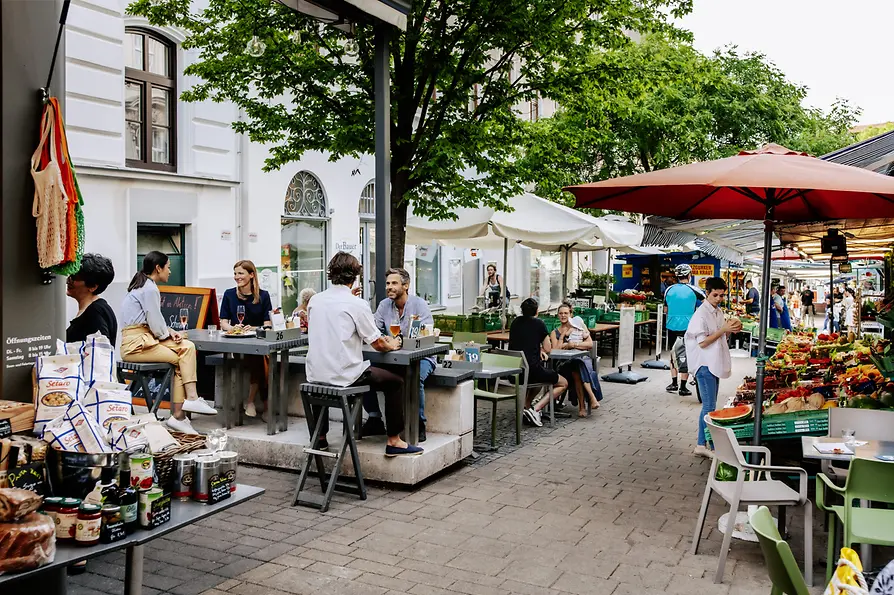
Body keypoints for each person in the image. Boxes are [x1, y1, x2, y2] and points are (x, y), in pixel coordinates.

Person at [306, 252, 423, 456]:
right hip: (345, 377)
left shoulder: (315, 300)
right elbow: (378, 344)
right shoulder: (356, 304)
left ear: (331, 273)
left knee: (324, 379)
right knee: (395, 382)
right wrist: (393, 344)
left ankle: (320, 438)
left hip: (314, 375)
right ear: (355, 276)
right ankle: (394, 441)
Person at [119, 251, 216, 434]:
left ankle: (182, 413)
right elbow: (155, 324)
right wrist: (168, 334)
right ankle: (184, 408)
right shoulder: (150, 289)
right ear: (158, 268)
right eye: (168, 267)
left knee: (185, 350)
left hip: (139, 340)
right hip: (138, 344)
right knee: (186, 350)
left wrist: (170, 332)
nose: (170, 272)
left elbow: (151, 321)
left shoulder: (142, 286)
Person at [365, 268, 434, 442]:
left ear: (406, 285)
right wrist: (384, 339)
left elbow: (425, 333)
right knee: (364, 370)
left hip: (421, 358)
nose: (389, 287)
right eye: (388, 283)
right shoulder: (383, 305)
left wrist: (400, 341)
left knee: (414, 377)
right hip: (392, 358)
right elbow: (374, 331)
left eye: (394, 283)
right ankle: (374, 418)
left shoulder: (420, 305)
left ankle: (418, 423)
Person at [686, 277, 742, 458]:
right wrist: (724, 329)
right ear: (707, 293)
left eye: (721, 295)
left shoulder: (717, 312)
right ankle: (704, 444)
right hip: (704, 363)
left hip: (713, 362)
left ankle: (703, 443)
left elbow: (720, 335)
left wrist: (732, 328)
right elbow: (702, 343)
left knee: (710, 406)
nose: (718, 298)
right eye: (715, 295)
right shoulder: (700, 314)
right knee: (709, 407)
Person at [219, 260, 273, 418]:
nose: (237, 277)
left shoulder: (263, 296)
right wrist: (233, 329)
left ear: (251, 275)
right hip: (237, 343)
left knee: (263, 360)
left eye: (240, 273)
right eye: (235, 273)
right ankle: (265, 406)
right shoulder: (229, 294)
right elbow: (223, 322)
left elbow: (267, 324)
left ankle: (251, 401)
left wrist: (254, 328)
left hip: (257, 342)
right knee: (261, 361)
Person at [509, 298, 568, 427]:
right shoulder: (539, 324)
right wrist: (542, 349)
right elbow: (548, 348)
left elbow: (522, 343)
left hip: (515, 372)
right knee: (563, 383)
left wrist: (538, 349)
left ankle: (526, 408)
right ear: (536, 311)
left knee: (539, 382)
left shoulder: (515, 323)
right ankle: (536, 409)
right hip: (531, 371)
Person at [550, 303, 601, 416]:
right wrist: (562, 337)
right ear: (557, 315)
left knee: (577, 367)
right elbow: (555, 350)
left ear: (571, 314)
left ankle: (584, 405)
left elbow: (589, 344)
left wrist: (573, 345)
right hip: (563, 365)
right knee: (576, 366)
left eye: (566, 313)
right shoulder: (555, 332)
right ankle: (588, 401)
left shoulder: (579, 326)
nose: (563, 315)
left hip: (580, 360)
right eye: (561, 313)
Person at [664, 264, 705, 397]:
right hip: (688, 328)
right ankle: (683, 386)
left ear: (677, 276)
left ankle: (673, 383)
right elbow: (707, 305)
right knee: (687, 355)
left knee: (673, 353)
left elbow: (665, 309)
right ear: (689, 275)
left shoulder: (668, 290)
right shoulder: (695, 290)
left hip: (671, 326)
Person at [66, 253, 118, 345]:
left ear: (93, 286)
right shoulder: (93, 309)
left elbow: (100, 349)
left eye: (74, 277)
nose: (68, 280)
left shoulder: (95, 311)